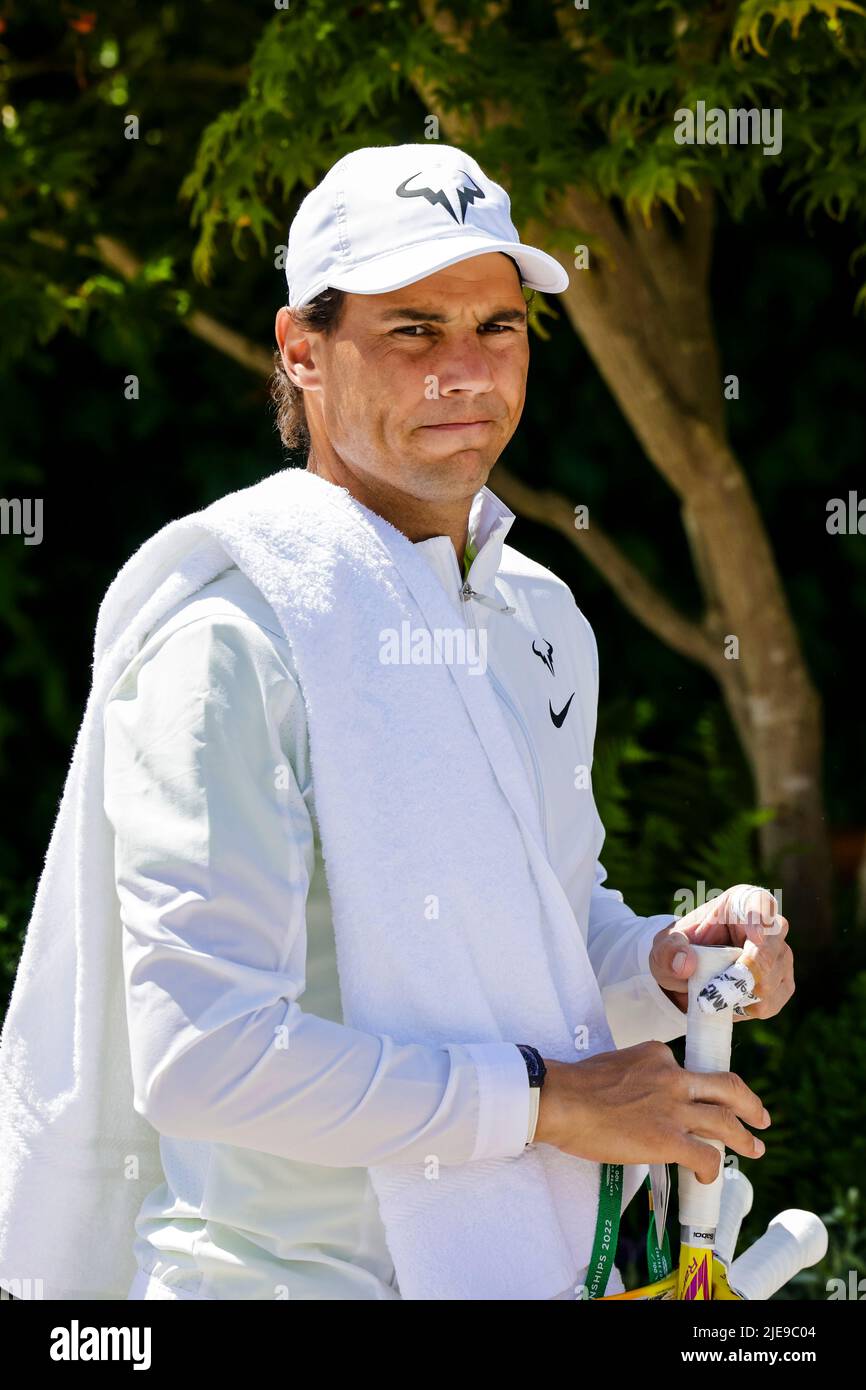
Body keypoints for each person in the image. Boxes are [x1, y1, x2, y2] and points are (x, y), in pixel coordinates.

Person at [2, 142, 794, 1303]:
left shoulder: (535, 610)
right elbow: (203, 1053)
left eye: (498, 327)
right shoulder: (233, 640)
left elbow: (536, 932)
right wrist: (554, 1104)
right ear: (299, 351)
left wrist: (670, 965)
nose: (465, 372)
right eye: (412, 330)